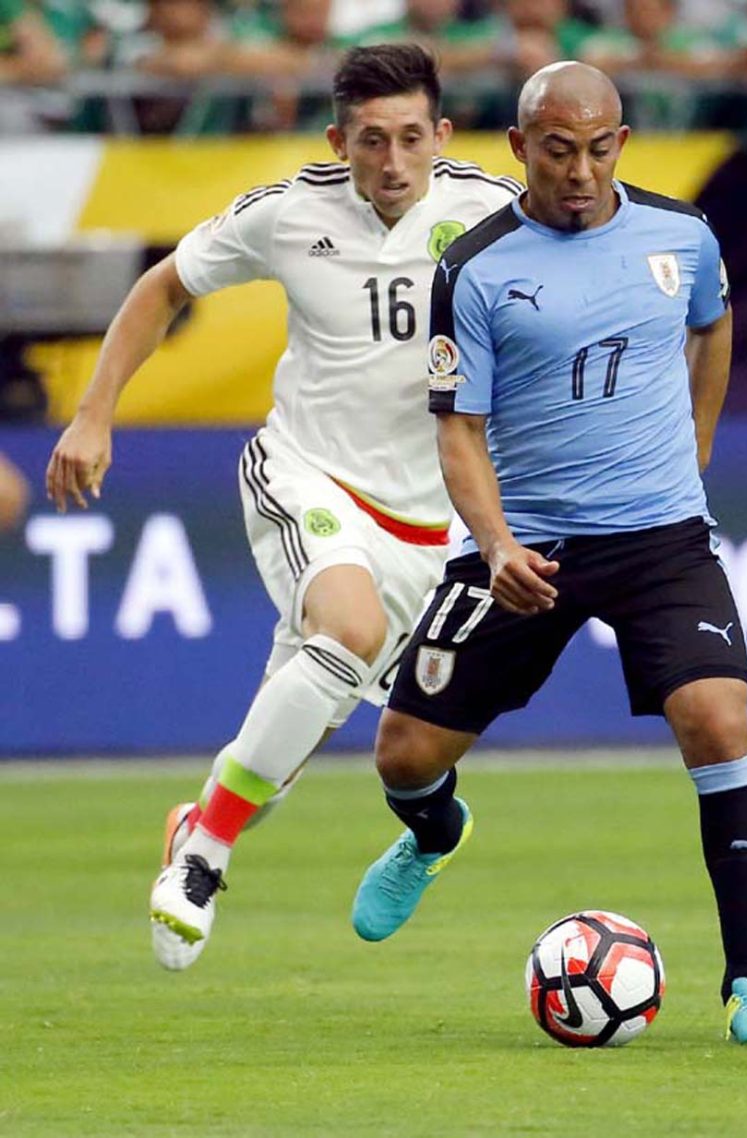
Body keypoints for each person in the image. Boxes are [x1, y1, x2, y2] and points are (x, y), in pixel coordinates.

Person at [351, 60, 747, 1046]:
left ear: (621, 145)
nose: (580, 172)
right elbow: (458, 431)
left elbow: (713, 323)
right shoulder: (472, 266)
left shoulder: (680, 237)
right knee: (404, 754)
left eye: (599, 150)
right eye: (558, 151)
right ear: (519, 149)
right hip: (527, 547)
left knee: (715, 719)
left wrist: (694, 449)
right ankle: (433, 833)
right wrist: (499, 542)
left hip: (658, 537)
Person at [45, 42, 520, 971]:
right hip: (306, 473)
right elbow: (163, 286)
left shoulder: (492, 213)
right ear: (339, 139)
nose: (391, 162)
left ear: (443, 136)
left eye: (410, 139)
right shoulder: (286, 212)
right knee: (339, 629)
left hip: (429, 526)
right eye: (371, 141)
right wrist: (95, 414)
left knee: (339, 742)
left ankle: (378, 829)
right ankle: (204, 855)